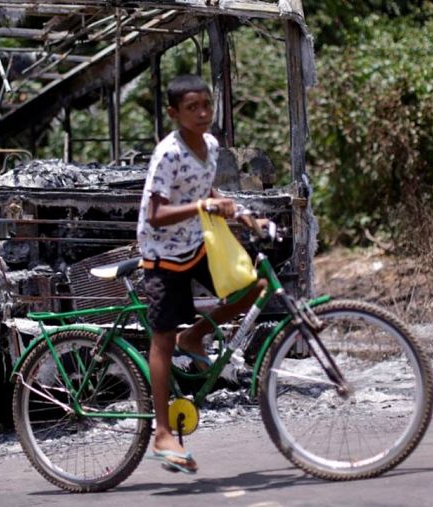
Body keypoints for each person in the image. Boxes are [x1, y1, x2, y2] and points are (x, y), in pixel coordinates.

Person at [137, 75, 267, 474]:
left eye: (207, 105)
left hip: (196, 244)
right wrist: (201, 209)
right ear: (174, 114)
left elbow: (204, 191)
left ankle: (193, 335)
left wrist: (240, 212)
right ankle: (162, 433)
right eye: (192, 108)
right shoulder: (168, 154)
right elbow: (156, 213)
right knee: (160, 339)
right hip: (161, 252)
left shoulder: (210, 146)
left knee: (255, 287)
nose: (202, 113)